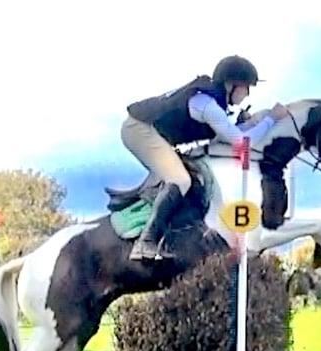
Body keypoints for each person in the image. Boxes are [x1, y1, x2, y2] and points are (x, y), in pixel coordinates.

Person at [121, 55, 289, 261]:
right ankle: (145, 242)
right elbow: (242, 142)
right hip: (139, 129)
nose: (247, 94)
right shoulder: (207, 105)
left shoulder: (212, 102)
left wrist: (254, 122)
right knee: (180, 179)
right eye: (246, 87)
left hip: (150, 132)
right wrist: (272, 118)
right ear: (231, 85)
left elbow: (228, 134)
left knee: (184, 178)